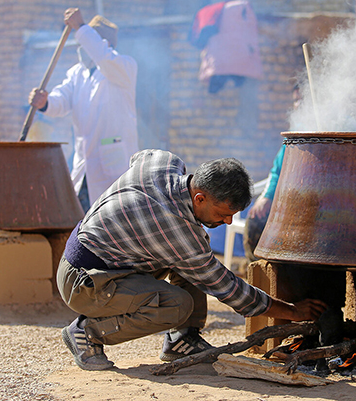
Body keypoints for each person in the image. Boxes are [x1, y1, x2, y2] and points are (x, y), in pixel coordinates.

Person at [57, 149, 329, 370]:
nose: (228, 221)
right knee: (177, 304)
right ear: (199, 197)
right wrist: (293, 312)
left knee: (197, 253)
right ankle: (87, 332)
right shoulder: (177, 232)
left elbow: (138, 157)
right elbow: (231, 290)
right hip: (84, 280)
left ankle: (181, 340)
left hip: (111, 259)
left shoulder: (164, 161)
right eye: (223, 213)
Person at [29, 8, 138, 212]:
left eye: (88, 41)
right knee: (82, 221)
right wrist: (45, 102)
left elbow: (103, 57)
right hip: (84, 166)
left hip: (113, 168)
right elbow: (60, 101)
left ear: (104, 44)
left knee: (109, 221)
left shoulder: (123, 68)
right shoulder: (77, 73)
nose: (83, 48)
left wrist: (80, 27)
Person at [243, 82, 301, 260]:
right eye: (296, 100)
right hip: (288, 197)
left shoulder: (341, 123)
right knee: (256, 219)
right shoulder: (296, 132)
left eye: (302, 99)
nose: (297, 105)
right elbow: (277, 169)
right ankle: (258, 271)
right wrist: (267, 196)